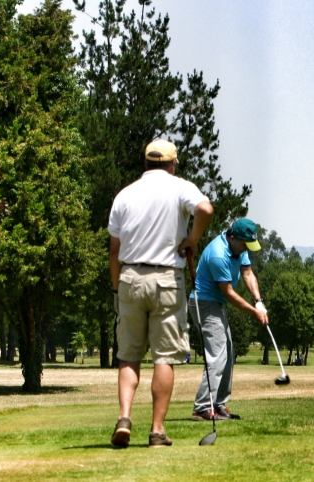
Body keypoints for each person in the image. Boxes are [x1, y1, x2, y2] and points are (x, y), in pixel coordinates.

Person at [108, 139, 213, 448]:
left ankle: (124, 418)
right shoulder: (180, 187)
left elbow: (114, 251)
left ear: (146, 163)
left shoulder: (125, 195)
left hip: (130, 276)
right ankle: (156, 430)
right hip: (167, 278)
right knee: (163, 358)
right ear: (172, 164)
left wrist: (117, 287)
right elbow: (205, 209)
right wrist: (192, 238)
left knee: (128, 354)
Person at [191, 218, 269, 421]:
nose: (246, 249)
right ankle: (202, 407)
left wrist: (259, 301)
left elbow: (248, 273)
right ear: (232, 237)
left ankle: (218, 404)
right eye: (244, 244)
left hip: (217, 305)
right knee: (217, 355)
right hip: (204, 304)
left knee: (229, 353)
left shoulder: (240, 248)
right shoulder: (219, 254)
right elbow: (228, 293)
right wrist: (254, 312)